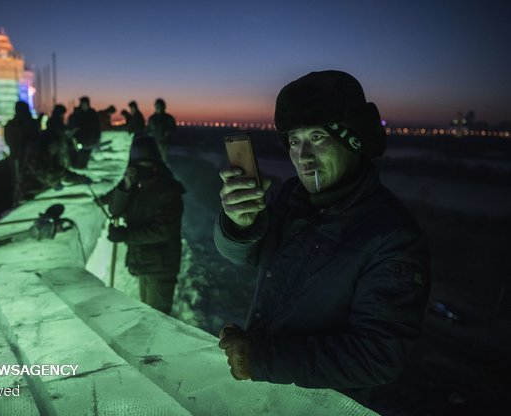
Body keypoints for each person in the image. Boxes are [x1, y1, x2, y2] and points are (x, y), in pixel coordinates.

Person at [214, 70, 430, 404]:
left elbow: (379, 357)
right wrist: (239, 225)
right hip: (266, 391)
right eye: (295, 141)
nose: (303, 156)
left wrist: (261, 358)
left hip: (325, 406)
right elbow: (244, 256)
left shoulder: (391, 236)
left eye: (318, 138)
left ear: (353, 141)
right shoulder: (290, 198)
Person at [98, 136, 185, 314]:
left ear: (156, 164)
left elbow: (163, 230)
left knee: (158, 321)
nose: (143, 169)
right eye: (139, 165)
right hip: (143, 262)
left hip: (161, 267)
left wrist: (126, 235)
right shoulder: (136, 188)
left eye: (147, 164)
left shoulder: (168, 191)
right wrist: (125, 187)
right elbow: (115, 209)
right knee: (147, 313)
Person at [4, 101, 39, 205]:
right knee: (28, 182)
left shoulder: (10, 124)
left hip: (15, 157)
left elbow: (7, 140)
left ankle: (17, 201)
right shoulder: (30, 123)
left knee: (17, 181)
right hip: (29, 158)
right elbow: (35, 139)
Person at [68, 96, 100, 168]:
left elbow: (97, 127)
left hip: (90, 140)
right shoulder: (80, 114)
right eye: (82, 104)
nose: (83, 106)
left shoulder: (92, 114)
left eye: (84, 104)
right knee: (81, 156)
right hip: (82, 140)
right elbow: (77, 126)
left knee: (86, 157)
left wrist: (97, 138)